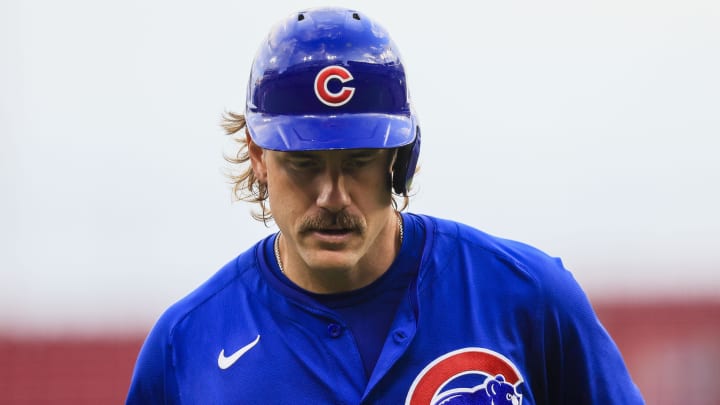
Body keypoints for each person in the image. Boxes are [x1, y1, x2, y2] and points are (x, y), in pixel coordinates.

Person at [126, 7, 644, 404]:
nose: (333, 196)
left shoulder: (527, 297)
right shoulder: (185, 347)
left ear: (399, 161)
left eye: (358, 161)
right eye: (304, 163)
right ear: (260, 158)